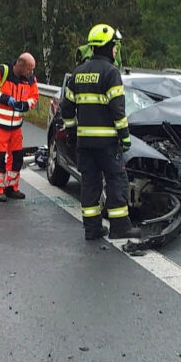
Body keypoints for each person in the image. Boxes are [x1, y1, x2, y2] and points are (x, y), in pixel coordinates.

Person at [60, 24, 141, 240]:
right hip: (107, 144)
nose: (116, 50)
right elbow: (118, 110)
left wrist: (72, 132)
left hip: (85, 144)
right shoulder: (111, 73)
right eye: (114, 45)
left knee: (89, 184)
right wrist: (125, 137)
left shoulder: (78, 73)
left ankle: (92, 228)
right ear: (106, 46)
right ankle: (120, 227)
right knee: (116, 181)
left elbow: (66, 108)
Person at [0, 52, 39, 201]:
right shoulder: (1, 72)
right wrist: (5, 99)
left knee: (17, 158)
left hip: (16, 127)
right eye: (29, 69)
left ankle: (11, 187)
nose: (31, 72)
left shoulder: (30, 79)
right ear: (20, 65)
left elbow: (34, 97)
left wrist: (26, 105)